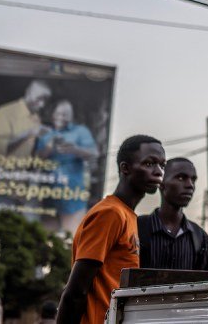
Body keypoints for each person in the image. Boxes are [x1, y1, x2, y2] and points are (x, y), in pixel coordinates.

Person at [57, 135, 164, 324]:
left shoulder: (128, 216)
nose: (158, 172)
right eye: (149, 164)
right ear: (125, 168)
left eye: (162, 165)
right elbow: (75, 292)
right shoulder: (110, 214)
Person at [35, 100, 100, 233]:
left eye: (65, 114)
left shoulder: (81, 131)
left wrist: (75, 150)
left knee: (72, 240)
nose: (60, 117)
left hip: (72, 196)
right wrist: (49, 145)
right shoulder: (46, 133)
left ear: (71, 116)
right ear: (53, 114)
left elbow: (94, 153)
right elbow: (37, 159)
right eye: (58, 113)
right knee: (43, 238)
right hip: (49, 195)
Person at [137, 157, 208, 271]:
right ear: (161, 183)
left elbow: (204, 286)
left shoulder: (201, 238)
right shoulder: (137, 228)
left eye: (193, 179)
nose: (190, 185)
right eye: (181, 178)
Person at [0, 79, 50, 157]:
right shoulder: (5, 112)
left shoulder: (36, 116)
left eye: (45, 100)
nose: (42, 105)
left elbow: (30, 149)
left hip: (24, 167)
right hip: (3, 167)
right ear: (28, 93)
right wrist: (28, 133)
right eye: (38, 98)